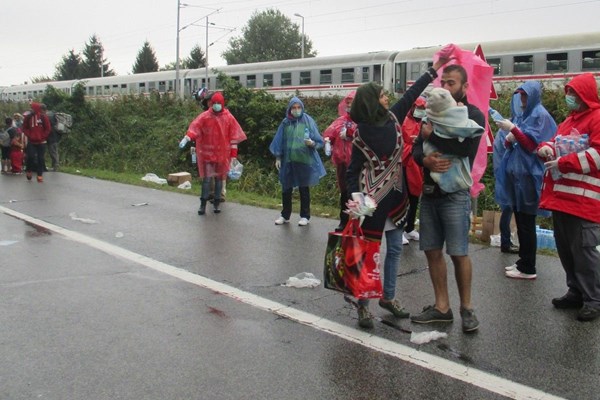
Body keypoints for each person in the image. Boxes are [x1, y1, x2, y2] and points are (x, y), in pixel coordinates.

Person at [345, 50, 452, 329]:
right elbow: (352, 171)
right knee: (369, 254)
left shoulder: (394, 118)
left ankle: (388, 297)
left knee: (393, 248)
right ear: (371, 101)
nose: (387, 98)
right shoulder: (359, 133)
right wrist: (353, 198)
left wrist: (435, 68)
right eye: (381, 95)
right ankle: (363, 305)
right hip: (370, 201)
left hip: (395, 196)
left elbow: (413, 91)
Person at [411, 64, 486, 333]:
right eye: (444, 82)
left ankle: (467, 308)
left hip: (455, 195)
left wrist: (435, 139)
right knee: (432, 250)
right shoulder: (428, 114)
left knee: (458, 252)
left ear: (465, 87)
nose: (446, 87)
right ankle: (442, 308)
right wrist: (425, 159)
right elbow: (415, 147)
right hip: (430, 194)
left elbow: (466, 149)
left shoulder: (473, 115)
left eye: (452, 83)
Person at [536, 73, 600, 321]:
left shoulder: (596, 118)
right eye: (568, 92)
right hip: (562, 198)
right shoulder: (568, 121)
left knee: (584, 252)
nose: (570, 97)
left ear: (584, 94)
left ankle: (594, 299)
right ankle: (576, 291)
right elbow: (556, 141)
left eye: (573, 92)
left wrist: (564, 162)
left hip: (584, 201)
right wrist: (547, 148)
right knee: (567, 250)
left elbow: (597, 155)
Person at [494, 81, 557, 279]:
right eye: (519, 96)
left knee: (527, 221)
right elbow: (516, 142)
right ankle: (523, 261)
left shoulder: (540, 115)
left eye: (524, 96)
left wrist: (513, 130)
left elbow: (531, 145)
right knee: (521, 220)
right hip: (519, 176)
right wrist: (510, 136)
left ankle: (529, 266)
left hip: (530, 176)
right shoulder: (526, 115)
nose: (521, 100)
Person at [179, 91, 246, 215]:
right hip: (208, 155)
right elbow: (195, 127)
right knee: (207, 179)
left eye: (218, 103)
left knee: (220, 180)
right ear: (211, 103)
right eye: (214, 103)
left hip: (222, 155)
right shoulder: (205, 116)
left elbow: (233, 138)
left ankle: (216, 203)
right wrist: (187, 137)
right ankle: (203, 204)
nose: (216, 105)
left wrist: (233, 156)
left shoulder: (228, 118)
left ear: (222, 103)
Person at [270, 97, 326, 226]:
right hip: (288, 160)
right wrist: (278, 157)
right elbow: (279, 140)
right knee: (286, 188)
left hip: (304, 160)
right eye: (293, 108)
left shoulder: (308, 121)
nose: (296, 110)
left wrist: (312, 143)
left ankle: (305, 216)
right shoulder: (285, 123)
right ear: (289, 109)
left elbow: (318, 140)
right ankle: (285, 215)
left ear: (302, 108)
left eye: (298, 107)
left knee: (303, 188)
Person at [323, 91, 357, 232]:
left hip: (357, 164)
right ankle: (343, 222)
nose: (349, 106)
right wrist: (327, 142)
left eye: (352, 103)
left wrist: (350, 133)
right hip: (342, 164)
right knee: (344, 193)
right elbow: (329, 132)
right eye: (347, 103)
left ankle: (355, 224)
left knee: (355, 194)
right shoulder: (341, 120)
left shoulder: (363, 121)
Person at [401, 96, 426, 245]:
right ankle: (399, 230)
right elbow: (400, 145)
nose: (420, 112)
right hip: (405, 164)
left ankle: (409, 227)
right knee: (404, 198)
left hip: (419, 165)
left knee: (415, 197)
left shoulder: (424, 124)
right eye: (419, 108)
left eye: (423, 109)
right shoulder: (404, 122)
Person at [22, 102, 51, 183]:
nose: (31, 110)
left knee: (40, 158)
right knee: (30, 157)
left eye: (32, 108)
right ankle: (29, 170)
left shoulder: (43, 117)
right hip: (32, 141)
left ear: (36, 108)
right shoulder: (28, 117)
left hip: (41, 142)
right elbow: (24, 127)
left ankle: (39, 175)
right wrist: (29, 135)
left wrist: (42, 137)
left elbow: (48, 128)